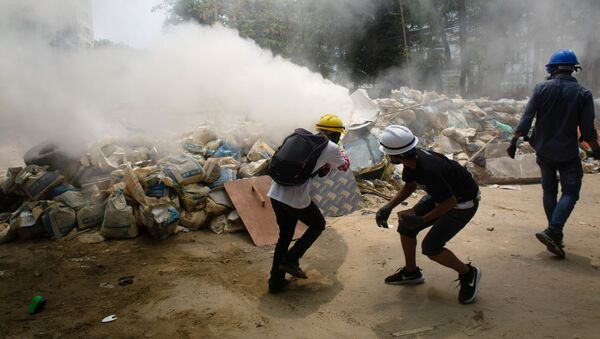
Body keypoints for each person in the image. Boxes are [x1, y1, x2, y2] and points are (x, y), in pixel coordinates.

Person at [508, 49, 600, 259]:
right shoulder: (583, 94)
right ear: (574, 69)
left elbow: (526, 118)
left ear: (553, 69)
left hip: (543, 151)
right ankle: (554, 231)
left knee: (549, 190)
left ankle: (554, 233)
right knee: (570, 192)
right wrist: (596, 150)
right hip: (567, 153)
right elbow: (587, 131)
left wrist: (514, 140)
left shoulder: (541, 88)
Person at [375, 125, 481, 304]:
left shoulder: (429, 168)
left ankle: (468, 273)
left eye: (387, 153)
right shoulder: (412, 160)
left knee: (431, 248)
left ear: (396, 155)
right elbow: (410, 185)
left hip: (462, 203)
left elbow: (450, 203)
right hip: (441, 196)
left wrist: (422, 219)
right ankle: (411, 273)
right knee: (406, 227)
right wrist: (388, 206)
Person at [267, 114, 349, 293]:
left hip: (275, 193)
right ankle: (291, 260)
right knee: (318, 225)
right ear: (336, 134)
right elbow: (344, 166)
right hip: (295, 199)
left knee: (285, 236)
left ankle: (275, 281)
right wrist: (340, 149)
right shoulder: (331, 147)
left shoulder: (301, 139)